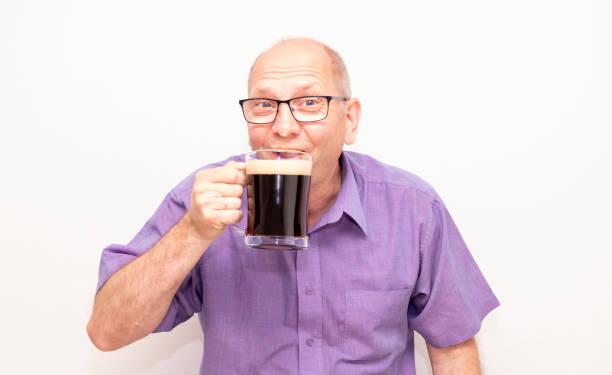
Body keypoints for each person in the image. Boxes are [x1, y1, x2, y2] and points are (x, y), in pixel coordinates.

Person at [87, 38, 499, 374]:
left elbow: (453, 348)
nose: (283, 128)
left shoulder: (413, 209)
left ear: (350, 120)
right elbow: (106, 332)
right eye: (264, 106)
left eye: (309, 103)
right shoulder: (206, 201)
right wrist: (191, 234)